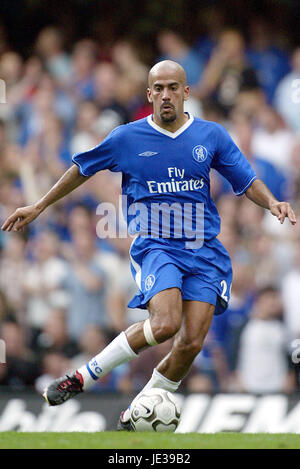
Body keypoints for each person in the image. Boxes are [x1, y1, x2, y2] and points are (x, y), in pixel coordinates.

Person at [1, 60, 296, 430]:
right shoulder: (127, 137)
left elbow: (246, 179)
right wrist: (40, 204)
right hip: (157, 244)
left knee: (190, 344)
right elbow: (82, 169)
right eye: (159, 88)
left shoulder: (211, 136)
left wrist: (272, 202)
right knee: (166, 323)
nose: (166, 95)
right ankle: (83, 376)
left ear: (186, 93)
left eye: (173, 87)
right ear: (149, 94)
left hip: (205, 250)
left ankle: (138, 410)